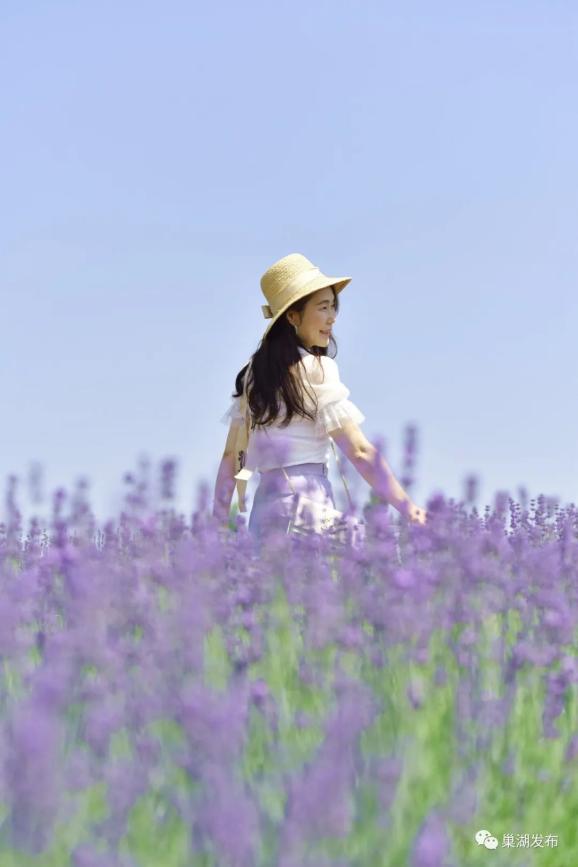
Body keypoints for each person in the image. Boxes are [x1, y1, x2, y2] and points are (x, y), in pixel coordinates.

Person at [212, 252, 428, 546]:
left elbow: (230, 460)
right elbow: (360, 451)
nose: (332, 318)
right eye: (323, 308)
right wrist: (409, 509)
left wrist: (217, 529)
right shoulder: (318, 368)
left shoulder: (251, 377)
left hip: (265, 514)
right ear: (292, 316)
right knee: (357, 572)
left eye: (333, 308)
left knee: (275, 592)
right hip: (307, 506)